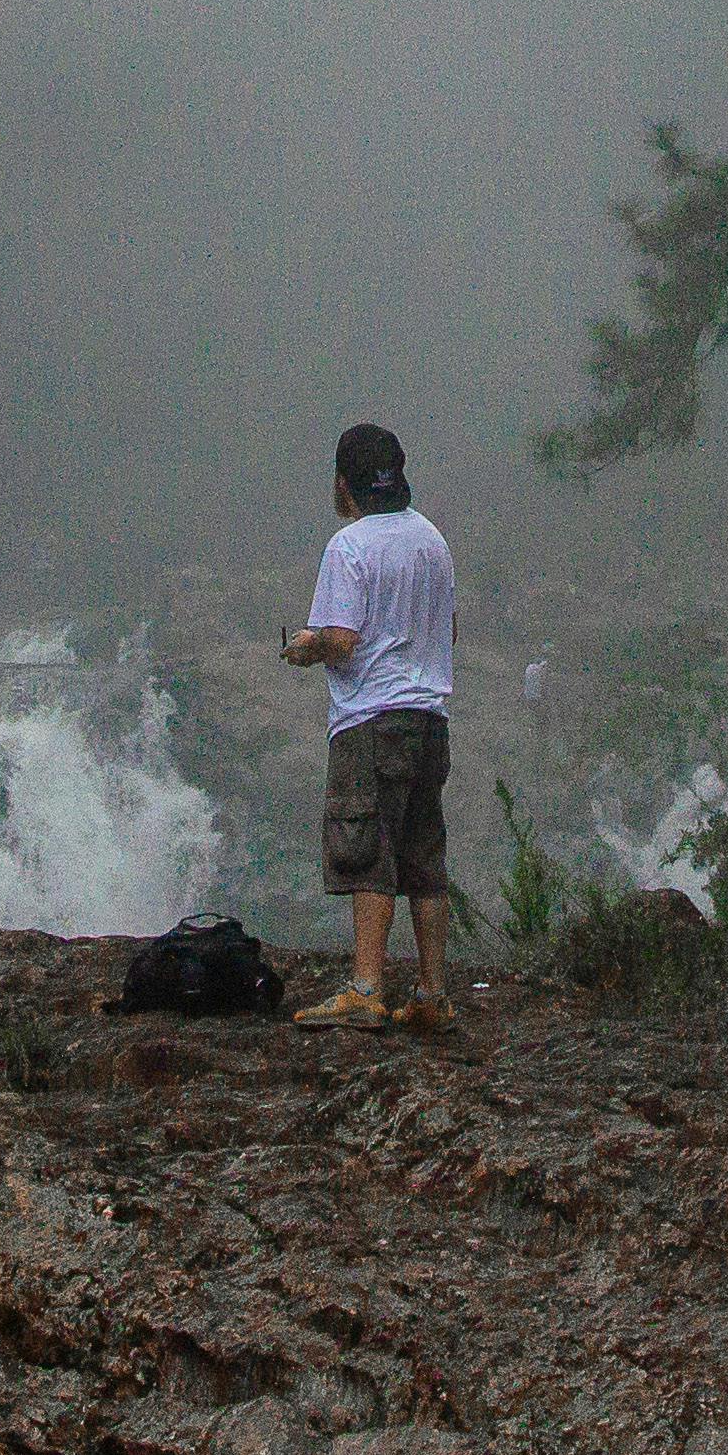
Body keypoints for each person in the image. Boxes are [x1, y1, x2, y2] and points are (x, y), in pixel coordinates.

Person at [278, 419, 457, 1029]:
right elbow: (445, 629)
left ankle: (365, 989)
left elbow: (343, 640)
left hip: (370, 720)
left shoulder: (349, 546)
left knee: (366, 849)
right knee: (424, 857)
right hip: (430, 717)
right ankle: (434, 994)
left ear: (343, 486)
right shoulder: (432, 540)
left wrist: (303, 646)